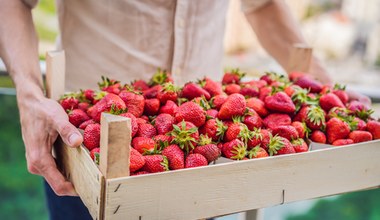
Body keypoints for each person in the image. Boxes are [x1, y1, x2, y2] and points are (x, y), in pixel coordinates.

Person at [0, 0, 371, 219]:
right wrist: (29, 96)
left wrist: (321, 85)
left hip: (206, 153)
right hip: (85, 147)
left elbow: (263, 5)